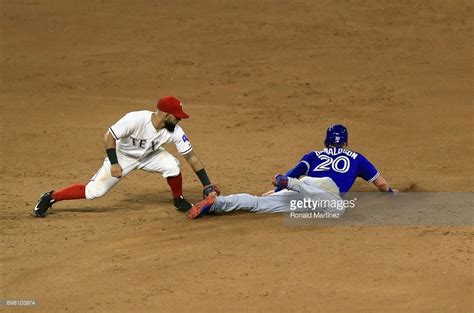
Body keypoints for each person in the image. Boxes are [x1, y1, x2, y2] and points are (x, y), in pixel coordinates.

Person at [34, 96, 214, 217]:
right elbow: (109, 136)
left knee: (172, 165)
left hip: (150, 155)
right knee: (94, 192)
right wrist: (114, 163)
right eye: (177, 117)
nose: (179, 120)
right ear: (166, 115)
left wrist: (207, 185)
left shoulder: (174, 130)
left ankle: (178, 199)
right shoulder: (136, 120)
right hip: (122, 156)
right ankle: (51, 197)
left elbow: (191, 157)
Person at [187, 124, 396, 219]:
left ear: (326, 141)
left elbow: (293, 172)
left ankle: (218, 204)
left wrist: (280, 188)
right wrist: (391, 194)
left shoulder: (314, 154)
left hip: (304, 186)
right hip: (323, 190)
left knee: (258, 203)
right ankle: (295, 186)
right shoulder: (357, 158)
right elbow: (381, 184)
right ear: (347, 143)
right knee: (337, 209)